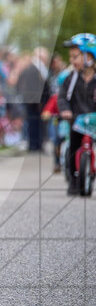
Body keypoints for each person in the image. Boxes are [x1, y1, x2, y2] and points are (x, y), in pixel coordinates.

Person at [58, 34, 96, 196]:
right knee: (74, 146)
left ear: (89, 57)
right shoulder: (70, 79)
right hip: (77, 119)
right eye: (70, 58)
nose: (72, 61)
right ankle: (74, 179)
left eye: (76, 57)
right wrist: (65, 110)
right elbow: (62, 97)